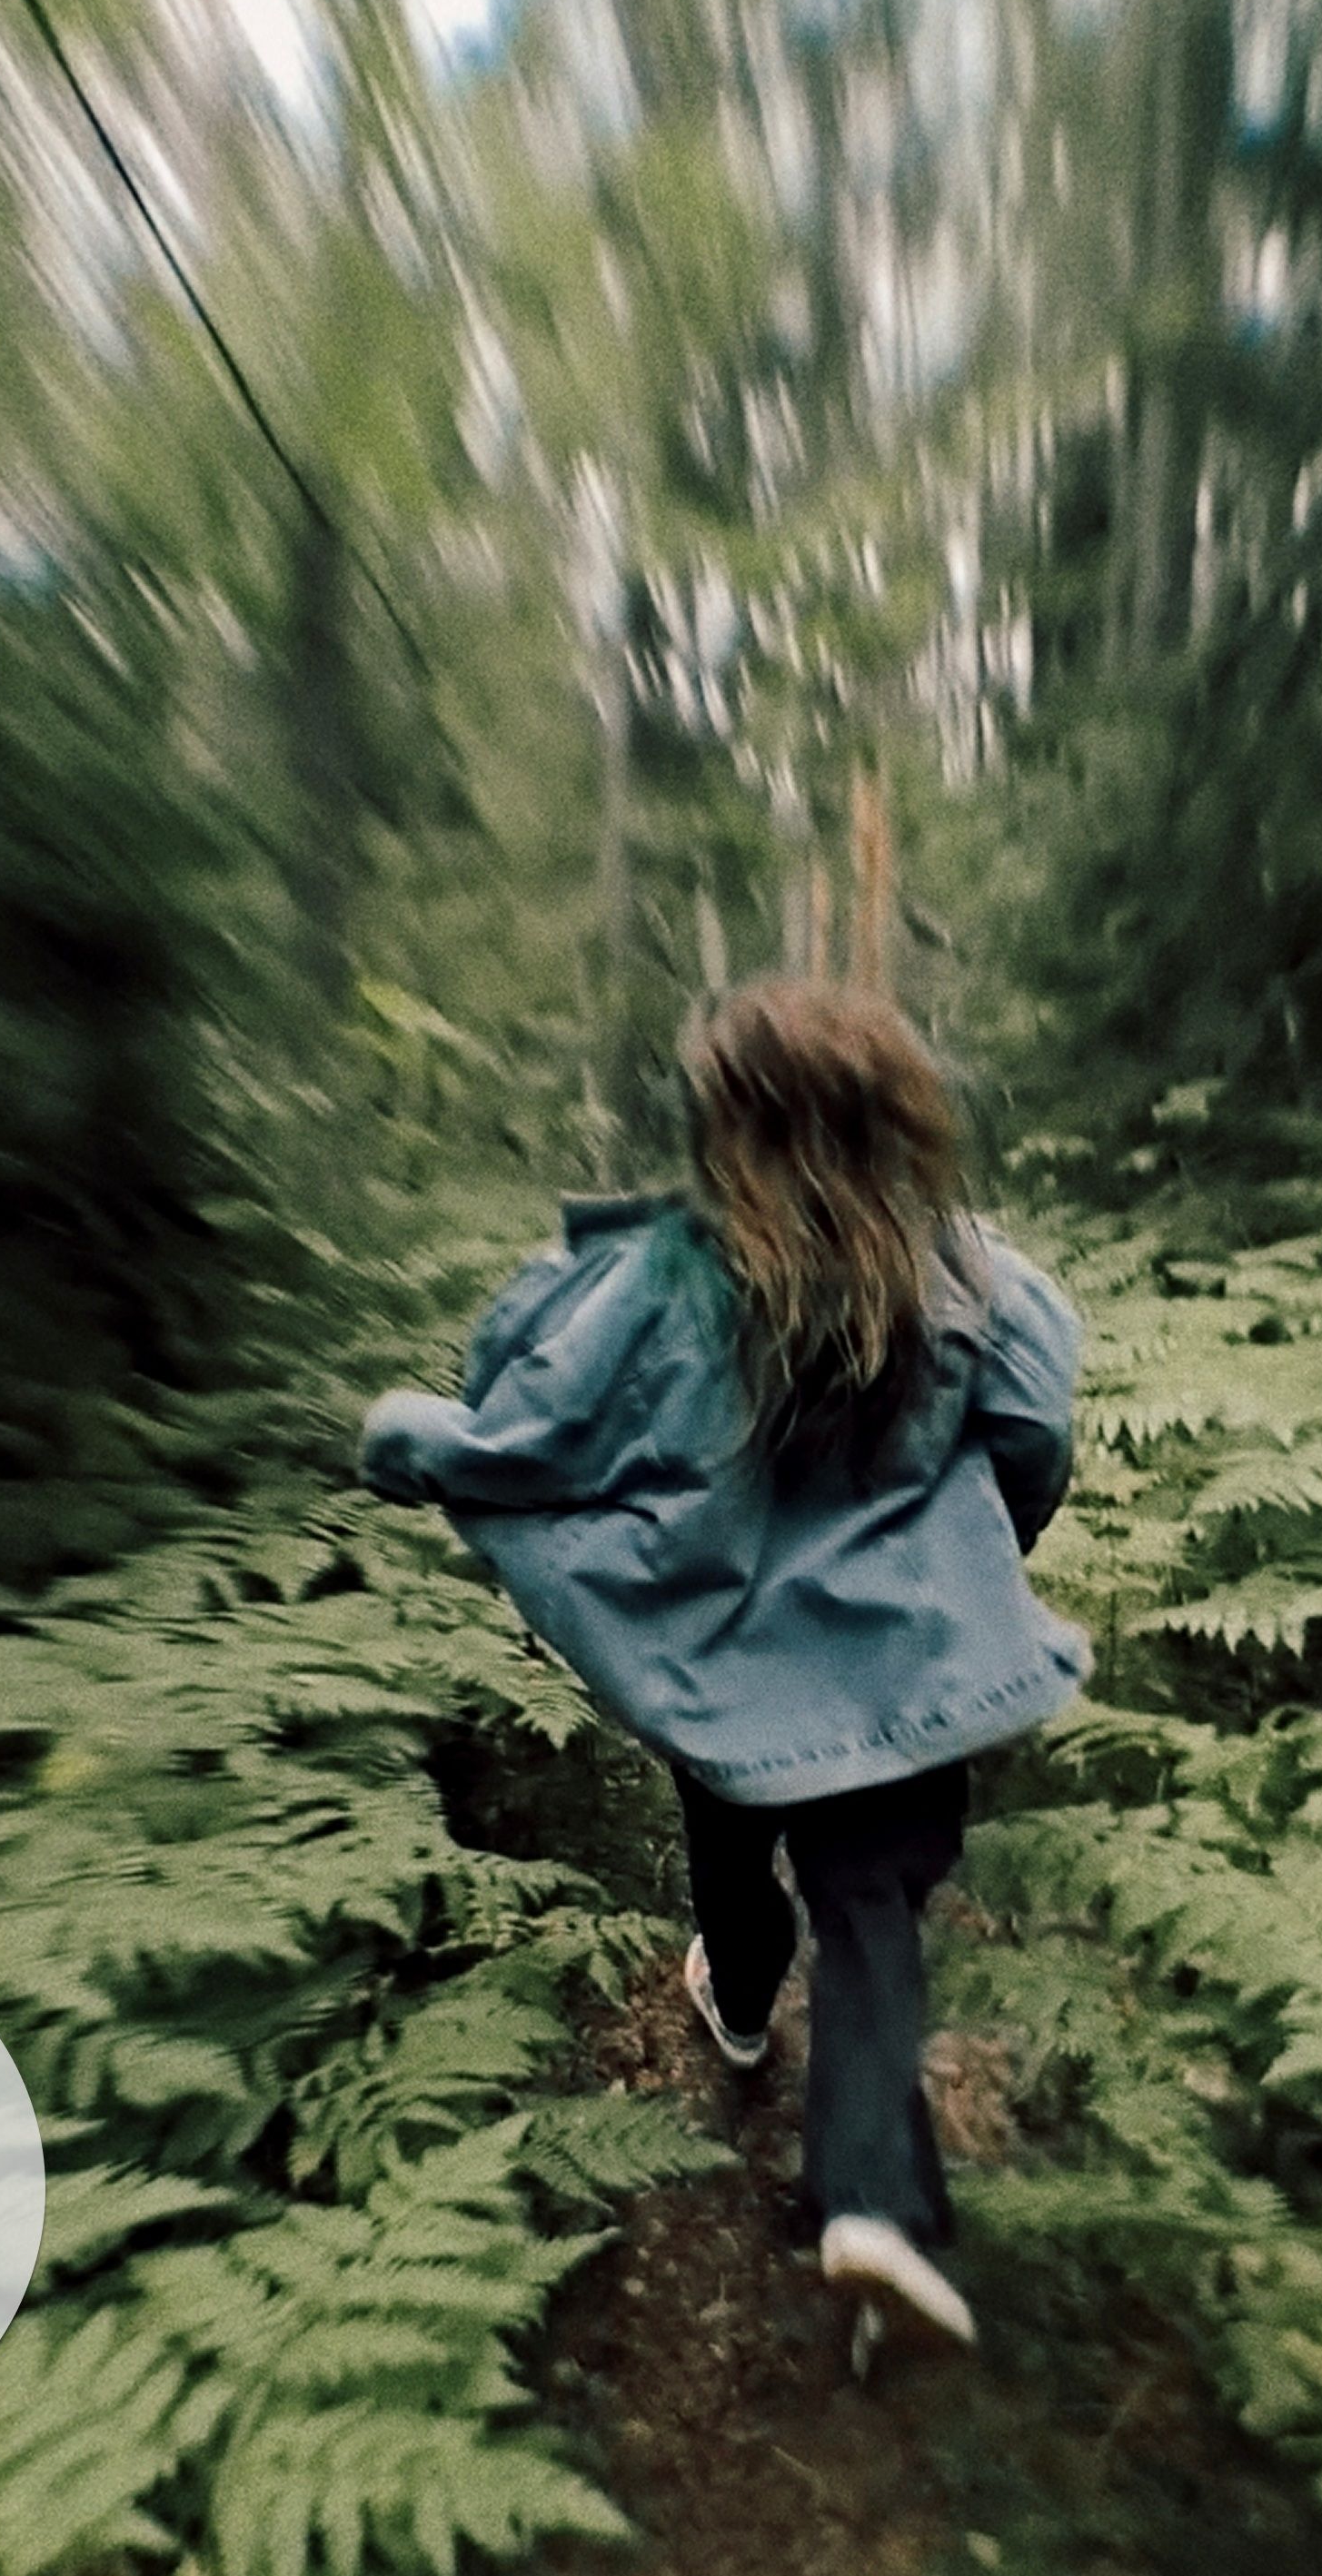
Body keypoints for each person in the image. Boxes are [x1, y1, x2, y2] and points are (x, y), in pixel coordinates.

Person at [355, 976, 1087, 2359]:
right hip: (911, 1666)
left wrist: (408, 1439)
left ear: (725, 1126)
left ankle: (739, 2006)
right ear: (899, 1117)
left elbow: (537, 1434)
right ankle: (869, 2203)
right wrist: (977, 1565)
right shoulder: (979, 1276)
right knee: (870, 1916)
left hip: (727, 1666)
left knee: (736, 1849)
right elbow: (1032, 1442)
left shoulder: (664, 1278)